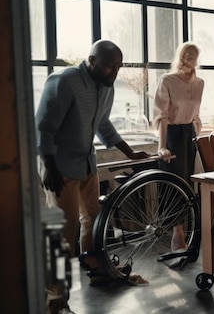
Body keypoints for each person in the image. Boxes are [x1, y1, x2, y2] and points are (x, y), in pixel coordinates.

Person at [35, 40, 151, 314]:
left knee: (95, 222)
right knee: (63, 234)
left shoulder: (106, 87)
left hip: (88, 164)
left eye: (119, 66)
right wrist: (49, 167)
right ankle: (55, 300)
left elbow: (102, 124)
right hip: (60, 167)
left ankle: (97, 270)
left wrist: (130, 152)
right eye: (111, 65)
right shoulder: (64, 81)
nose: (115, 72)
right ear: (91, 60)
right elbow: (43, 127)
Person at [153, 41, 204, 255]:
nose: (190, 57)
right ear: (180, 56)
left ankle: (186, 229)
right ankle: (178, 232)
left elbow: (197, 113)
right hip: (172, 134)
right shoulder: (167, 80)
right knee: (176, 183)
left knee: (189, 183)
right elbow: (161, 115)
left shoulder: (200, 83)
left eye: (194, 54)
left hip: (189, 134)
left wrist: (197, 133)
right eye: (186, 53)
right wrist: (162, 146)